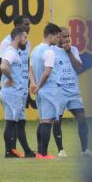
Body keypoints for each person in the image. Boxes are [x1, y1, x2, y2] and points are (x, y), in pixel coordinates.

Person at [54, 26, 92, 157]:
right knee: (57, 120)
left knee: (82, 119)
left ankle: (85, 150)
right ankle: (61, 150)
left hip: (73, 91)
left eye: (68, 36)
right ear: (58, 38)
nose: (67, 39)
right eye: (64, 36)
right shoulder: (52, 51)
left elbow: (79, 67)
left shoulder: (74, 50)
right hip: (59, 90)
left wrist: (69, 53)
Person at [0, 15, 34, 157]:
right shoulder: (8, 46)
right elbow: (1, 65)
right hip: (13, 89)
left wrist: (29, 82)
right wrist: (8, 80)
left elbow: (26, 65)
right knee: (12, 122)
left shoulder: (25, 44)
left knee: (19, 121)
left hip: (21, 87)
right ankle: (10, 151)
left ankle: (21, 151)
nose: (28, 27)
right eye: (26, 24)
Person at [28, 23, 63, 159]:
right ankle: (44, 153)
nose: (58, 40)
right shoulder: (49, 51)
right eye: (57, 36)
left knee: (42, 121)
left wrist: (34, 84)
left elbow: (30, 69)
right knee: (47, 122)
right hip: (47, 89)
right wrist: (39, 85)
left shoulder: (35, 50)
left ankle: (39, 152)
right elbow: (47, 72)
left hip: (39, 91)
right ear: (51, 35)